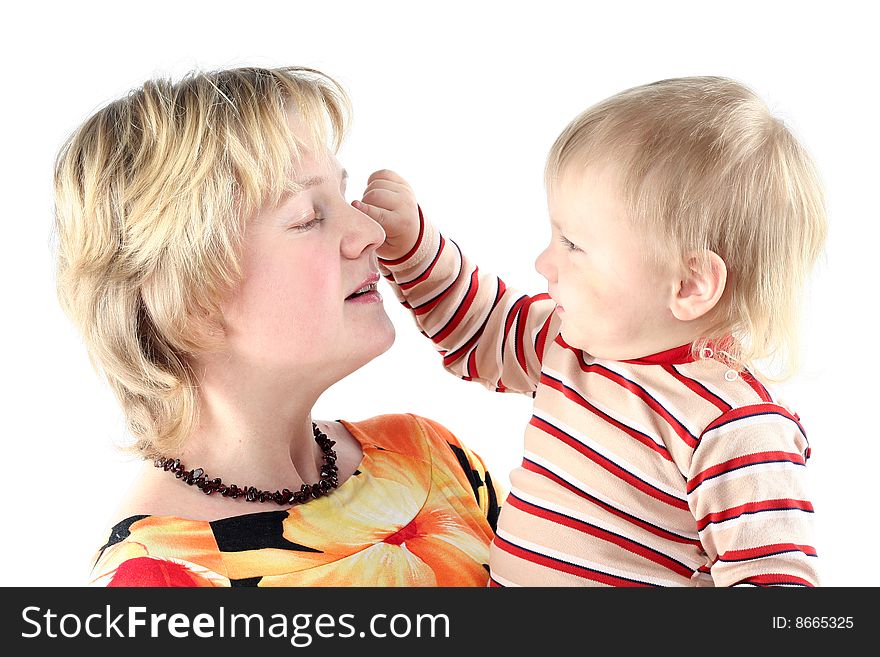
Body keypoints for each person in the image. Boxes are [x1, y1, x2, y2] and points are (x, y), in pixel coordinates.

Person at [355, 77, 825, 587]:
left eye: (574, 245)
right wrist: (411, 247)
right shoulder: (570, 344)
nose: (544, 263)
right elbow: (480, 327)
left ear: (689, 283)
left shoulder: (735, 427)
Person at [53, 66, 502, 587]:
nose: (371, 231)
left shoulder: (430, 458)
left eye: (344, 194)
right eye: (309, 216)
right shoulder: (156, 583)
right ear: (189, 293)